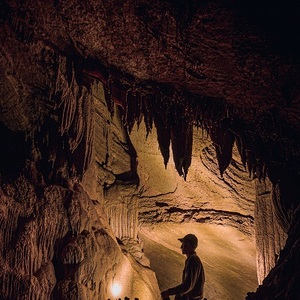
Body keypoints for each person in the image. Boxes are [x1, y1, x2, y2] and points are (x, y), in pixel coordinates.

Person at [161, 234, 205, 300]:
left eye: (184, 244)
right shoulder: (192, 259)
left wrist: (169, 292)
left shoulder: (193, 259)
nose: (181, 247)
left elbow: (188, 286)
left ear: (189, 245)